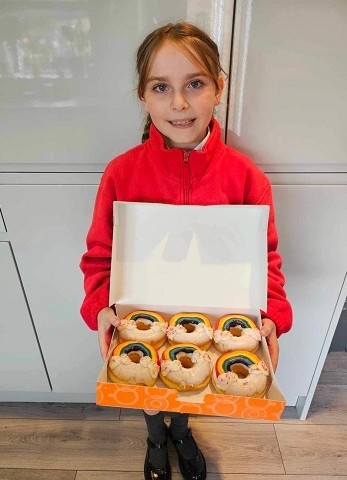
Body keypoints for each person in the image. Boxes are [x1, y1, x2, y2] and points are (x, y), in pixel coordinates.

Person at [80, 21, 292, 480]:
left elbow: (266, 259)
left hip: (216, 328)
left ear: (218, 88)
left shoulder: (246, 177)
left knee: (188, 381)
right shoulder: (121, 174)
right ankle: (156, 435)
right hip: (139, 319)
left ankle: (181, 430)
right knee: (150, 388)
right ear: (143, 95)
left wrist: (273, 313)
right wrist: (100, 306)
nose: (178, 102)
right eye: (161, 87)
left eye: (194, 83)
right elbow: (100, 255)